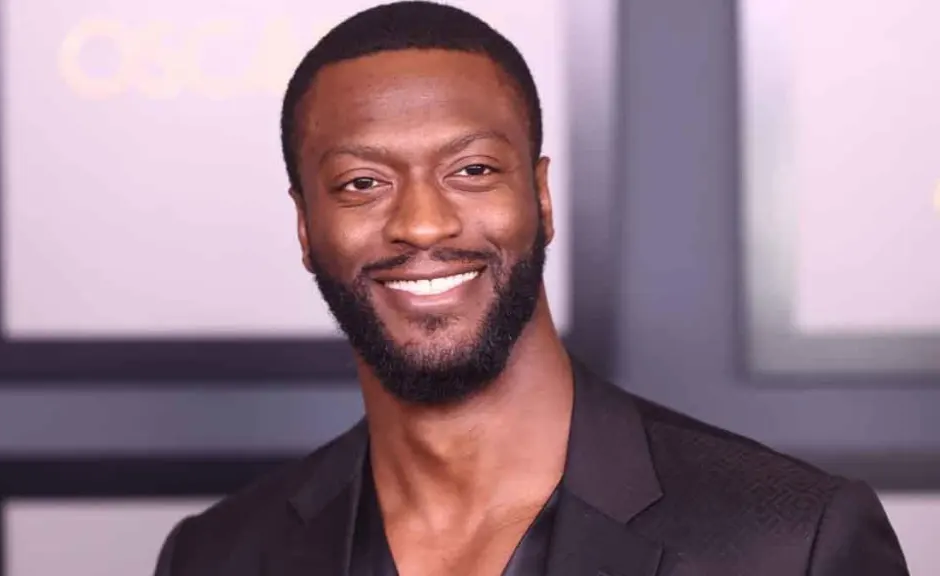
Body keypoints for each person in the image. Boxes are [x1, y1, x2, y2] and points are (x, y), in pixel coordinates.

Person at [152, 2, 909, 574]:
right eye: (362, 183)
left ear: (540, 198)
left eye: (473, 170)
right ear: (305, 226)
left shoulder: (792, 544)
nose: (422, 223)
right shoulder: (216, 556)